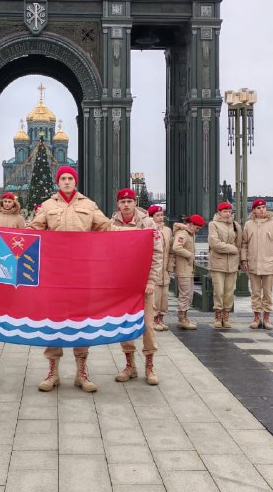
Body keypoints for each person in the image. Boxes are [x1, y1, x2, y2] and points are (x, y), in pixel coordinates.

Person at [28, 165, 112, 393]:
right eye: (63, 178)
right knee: (53, 320)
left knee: (81, 320)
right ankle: (52, 372)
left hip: (82, 273)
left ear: (75, 182)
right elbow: (33, 231)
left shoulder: (89, 205)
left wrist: (137, 233)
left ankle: (81, 373)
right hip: (54, 273)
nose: (66, 181)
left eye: (70, 178)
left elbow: (107, 227)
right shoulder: (47, 206)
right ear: (58, 182)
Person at [111, 189, 164, 385]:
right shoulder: (111, 224)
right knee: (125, 325)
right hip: (123, 284)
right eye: (122, 201)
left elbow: (158, 253)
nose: (126, 205)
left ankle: (149, 366)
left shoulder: (148, 223)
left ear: (135, 203)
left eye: (129, 201)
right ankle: (129, 365)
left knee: (148, 325)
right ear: (118, 204)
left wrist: (151, 280)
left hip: (144, 284)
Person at [241, 199, 273, 330]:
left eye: (264, 207)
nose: (262, 210)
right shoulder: (249, 225)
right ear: (254, 210)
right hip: (253, 264)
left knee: (267, 293)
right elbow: (244, 244)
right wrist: (244, 260)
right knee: (255, 293)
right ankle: (256, 318)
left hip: (269, 264)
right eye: (259, 208)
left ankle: (266, 318)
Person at [208, 201, 242, 329]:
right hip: (218, 263)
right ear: (219, 212)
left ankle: (226, 316)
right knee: (219, 291)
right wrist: (232, 249)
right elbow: (214, 243)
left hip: (232, 264)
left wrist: (240, 258)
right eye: (225, 211)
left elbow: (239, 243)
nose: (227, 214)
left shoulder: (236, 225)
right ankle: (217, 315)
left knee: (229, 292)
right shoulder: (213, 224)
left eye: (229, 211)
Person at [172, 214, 206, 330]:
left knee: (188, 294)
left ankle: (184, 317)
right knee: (185, 294)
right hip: (183, 269)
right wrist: (190, 255)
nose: (198, 230)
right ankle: (182, 319)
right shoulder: (183, 233)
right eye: (197, 228)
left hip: (188, 269)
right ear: (191, 224)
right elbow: (177, 247)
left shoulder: (190, 234)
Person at [148, 205, 173, 332]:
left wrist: (170, 266)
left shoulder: (168, 231)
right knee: (155, 297)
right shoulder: (149, 229)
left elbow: (171, 251)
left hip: (165, 270)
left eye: (162, 215)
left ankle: (161, 318)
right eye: (157, 215)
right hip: (155, 269)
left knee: (164, 297)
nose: (161, 217)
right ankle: (153, 319)